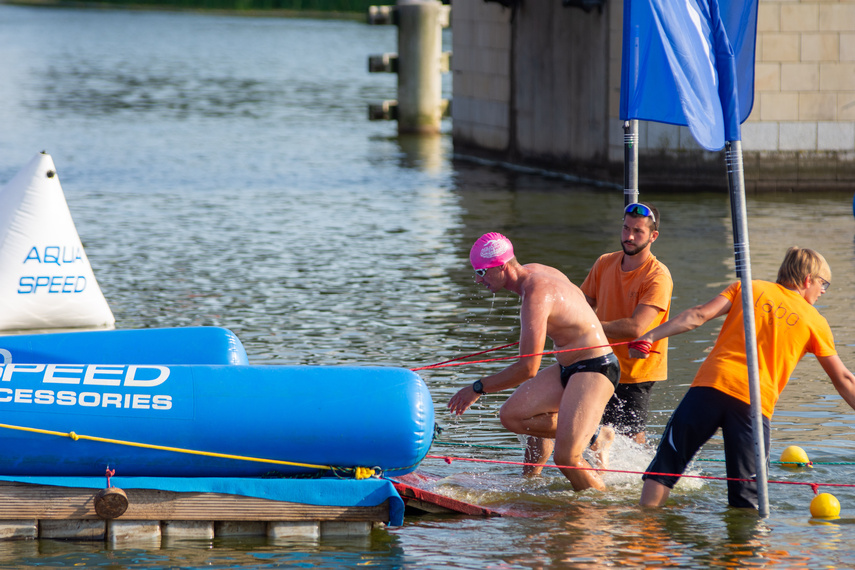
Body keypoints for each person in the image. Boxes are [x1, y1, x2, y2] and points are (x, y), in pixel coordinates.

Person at [629, 247, 855, 509]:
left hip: (708, 390)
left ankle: (643, 535)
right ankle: (746, 548)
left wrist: (650, 336)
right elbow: (844, 379)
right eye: (823, 283)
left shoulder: (748, 288)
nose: (823, 290)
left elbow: (698, 315)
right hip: (752, 407)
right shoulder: (815, 321)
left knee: (664, 469)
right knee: (748, 499)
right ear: (807, 280)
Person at [447, 232, 620, 491]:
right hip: (568, 367)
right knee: (512, 416)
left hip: (596, 366)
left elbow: (528, 368)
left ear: (503, 266)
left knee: (567, 459)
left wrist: (477, 388)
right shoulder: (535, 271)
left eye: (482, 271)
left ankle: (605, 509)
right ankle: (586, 441)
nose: (477, 279)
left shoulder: (536, 293)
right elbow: (577, 305)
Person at [581, 202, 673, 444]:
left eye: (638, 231)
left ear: (653, 236)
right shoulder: (604, 262)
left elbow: (636, 328)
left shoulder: (658, 276)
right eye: (625, 228)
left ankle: (642, 478)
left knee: (631, 440)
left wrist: (587, 327)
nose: (629, 236)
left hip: (636, 371)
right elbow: (581, 305)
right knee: (589, 432)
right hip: (600, 361)